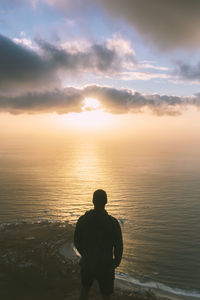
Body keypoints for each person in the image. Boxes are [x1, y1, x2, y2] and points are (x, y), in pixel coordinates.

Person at [74, 189, 123, 300]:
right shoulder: (113, 223)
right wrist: (116, 262)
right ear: (106, 201)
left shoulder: (83, 220)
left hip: (87, 263)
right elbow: (118, 245)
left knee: (85, 290)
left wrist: (86, 254)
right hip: (106, 265)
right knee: (106, 295)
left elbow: (77, 240)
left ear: (93, 201)